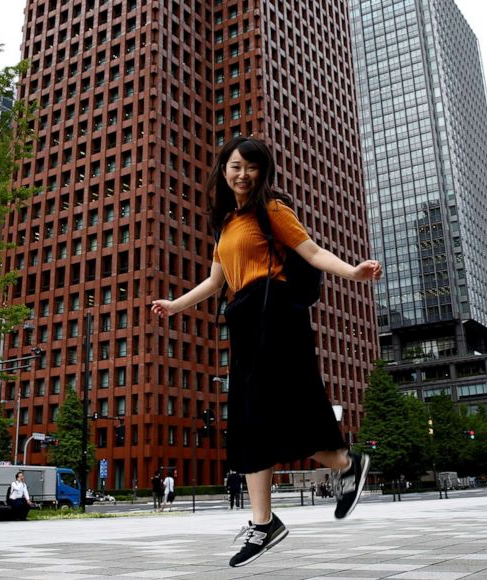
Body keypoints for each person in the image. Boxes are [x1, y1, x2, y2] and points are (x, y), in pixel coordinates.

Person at [150, 136, 381, 568]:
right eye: (235, 166)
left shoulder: (271, 210)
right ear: (223, 170)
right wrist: (174, 304)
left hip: (274, 313)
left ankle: (341, 464)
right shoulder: (226, 224)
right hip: (243, 317)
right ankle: (270, 519)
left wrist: (353, 271)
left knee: (280, 409)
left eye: (250, 167)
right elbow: (216, 282)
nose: (242, 174)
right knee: (248, 420)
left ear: (262, 172)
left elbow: (311, 252)